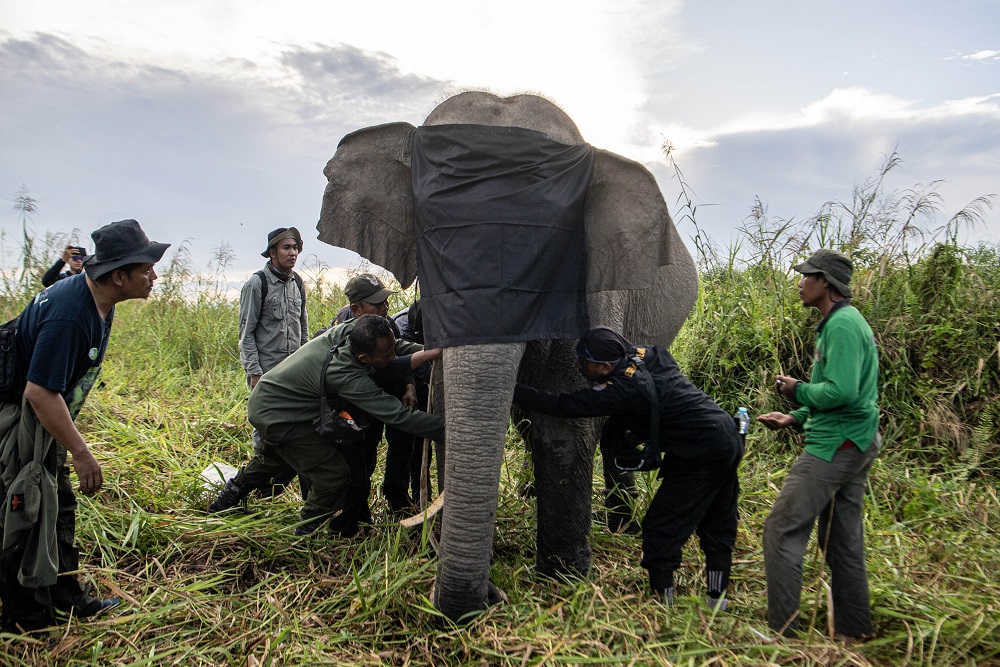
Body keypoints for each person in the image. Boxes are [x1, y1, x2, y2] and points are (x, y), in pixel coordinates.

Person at [0, 219, 169, 633]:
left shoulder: (98, 301)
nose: (153, 276)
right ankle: (25, 619)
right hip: (18, 415)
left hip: (38, 416)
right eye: (146, 268)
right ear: (118, 276)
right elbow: (40, 393)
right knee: (25, 509)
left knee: (58, 506)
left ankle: (65, 598)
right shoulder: (71, 315)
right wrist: (81, 451)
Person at [512, 327, 744, 609]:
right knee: (718, 522)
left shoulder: (620, 391)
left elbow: (562, 405)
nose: (578, 366)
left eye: (584, 362)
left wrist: (510, 389)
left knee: (660, 529)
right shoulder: (650, 354)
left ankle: (664, 606)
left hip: (700, 452)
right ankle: (717, 603)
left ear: (605, 367)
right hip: (728, 434)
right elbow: (659, 390)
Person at [211, 314, 444, 537]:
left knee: (273, 460)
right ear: (364, 358)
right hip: (279, 417)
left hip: (270, 399)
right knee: (333, 475)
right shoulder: (345, 375)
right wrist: (450, 429)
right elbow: (398, 416)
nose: (393, 356)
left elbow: (396, 347)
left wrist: (425, 351)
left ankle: (224, 501)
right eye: (386, 355)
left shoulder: (354, 330)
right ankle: (304, 532)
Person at [757, 248, 881, 641]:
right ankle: (853, 629)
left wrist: (798, 391)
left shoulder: (842, 326)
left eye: (806, 275)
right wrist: (796, 417)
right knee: (840, 539)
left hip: (835, 447)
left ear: (825, 282)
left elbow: (842, 391)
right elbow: (849, 393)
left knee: (781, 529)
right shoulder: (840, 322)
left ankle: (784, 633)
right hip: (854, 438)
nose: (800, 282)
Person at [214, 228, 308, 507]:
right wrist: (255, 373)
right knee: (265, 432)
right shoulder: (257, 284)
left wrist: (304, 361)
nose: (292, 253)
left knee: (294, 427)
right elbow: (246, 333)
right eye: (286, 248)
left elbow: (302, 326)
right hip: (266, 373)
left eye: (295, 248)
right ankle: (257, 488)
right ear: (272, 252)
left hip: (292, 372)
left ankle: (272, 487)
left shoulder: (298, 283)